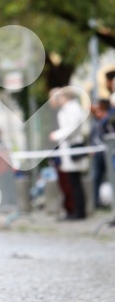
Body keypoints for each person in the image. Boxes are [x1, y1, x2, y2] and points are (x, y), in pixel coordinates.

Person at [49, 87, 89, 220]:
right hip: (66, 149)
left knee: (75, 181)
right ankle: (76, 210)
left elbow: (73, 128)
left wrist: (57, 135)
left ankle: (79, 211)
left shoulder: (73, 109)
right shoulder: (65, 110)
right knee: (73, 181)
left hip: (72, 147)